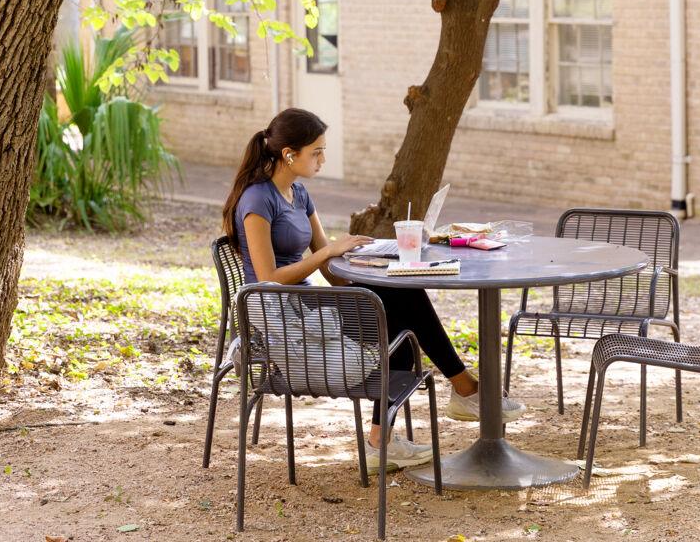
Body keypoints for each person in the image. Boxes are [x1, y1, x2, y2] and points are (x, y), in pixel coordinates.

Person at [221, 108, 525, 473]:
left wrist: (373, 267)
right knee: (397, 312)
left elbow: (332, 272)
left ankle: (431, 409)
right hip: (281, 313)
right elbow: (268, 276)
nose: (322, 159)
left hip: (308, 301)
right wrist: (328, 252)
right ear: (289, 154)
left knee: (398, 296)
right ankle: (460, 390)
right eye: (316, 151)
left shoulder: (299, 194)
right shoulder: (257, 201)